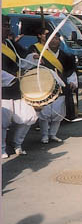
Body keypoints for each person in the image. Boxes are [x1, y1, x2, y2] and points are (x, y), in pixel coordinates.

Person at [25, 34, 77, 144]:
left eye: (56, 39)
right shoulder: (41, 54)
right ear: (47, 41)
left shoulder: (66, 55)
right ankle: (44, 135)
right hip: (45, 87)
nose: (54, 41)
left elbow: (71, 71)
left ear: (60, 41)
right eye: (52, 39)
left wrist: (73, 81)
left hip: (60, 88)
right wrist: (35, 59)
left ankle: (53, 134)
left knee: (58, 113)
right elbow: (28, 65)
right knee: (45, 113)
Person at [2, 16, 37, 158]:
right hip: (3, 88)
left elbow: (22, 61)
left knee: (29, 116)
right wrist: (10, 79)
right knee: (2, 122)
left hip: (17, 87)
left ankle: (16, 142)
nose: (7, 28)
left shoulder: (10, 44)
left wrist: (32, 57)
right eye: (3, 25)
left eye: (7, 25)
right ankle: (2, 148)